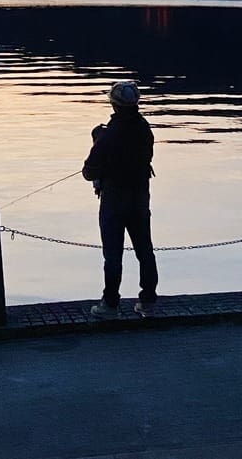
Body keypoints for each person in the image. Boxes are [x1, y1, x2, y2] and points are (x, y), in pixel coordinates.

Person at [82, 80, 158, 318]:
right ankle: (148, 302)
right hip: (139, 198)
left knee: (113, 254)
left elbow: (88, 171)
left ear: (113, 104)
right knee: (145, 250)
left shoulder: (109, 135)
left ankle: (110, 305)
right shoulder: (144, 129)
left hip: (114, 200)